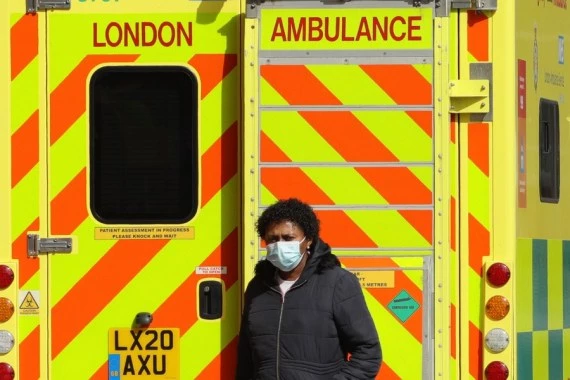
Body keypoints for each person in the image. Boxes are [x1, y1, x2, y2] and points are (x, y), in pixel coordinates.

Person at [236, 198, 382, 380]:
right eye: (273, 239)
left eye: (288, 238)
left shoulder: (338, 282)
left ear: (309, 240)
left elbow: (368, 352)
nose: (280, 245)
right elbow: (246, 357)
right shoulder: (257, 288)